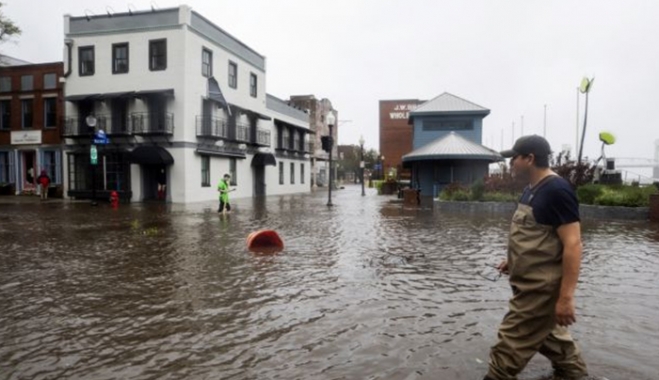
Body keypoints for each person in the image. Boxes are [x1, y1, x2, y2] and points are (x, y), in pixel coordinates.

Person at [484, 135, 588, 380]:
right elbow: (536, 236)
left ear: (529, 158)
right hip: (528, 285)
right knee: (551, 338)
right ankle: (574, 374)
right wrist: (513, 260)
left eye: (514, 159)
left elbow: (573, 245)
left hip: (540, 290)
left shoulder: (557, 190)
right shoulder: (531, 190)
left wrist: (565, 298)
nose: (510, 164)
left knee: (507, 348)